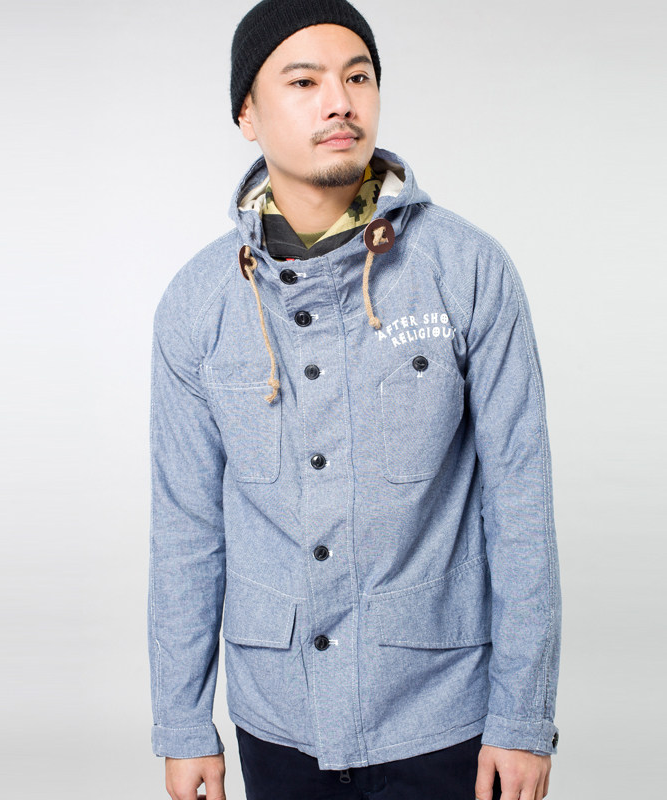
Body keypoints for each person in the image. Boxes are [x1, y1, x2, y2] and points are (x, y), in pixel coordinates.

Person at [147, 1, 563, 798]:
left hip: (443, 710)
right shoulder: (198, 303)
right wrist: (183, 721)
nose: (340, 101)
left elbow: (520, 508)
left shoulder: (468, 270)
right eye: (304, 82)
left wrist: (522, 717)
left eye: (359, 77)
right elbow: (186, 528)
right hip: (277, 717)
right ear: (247, 114)